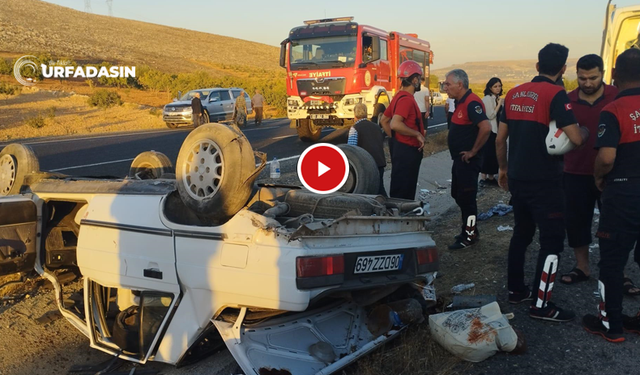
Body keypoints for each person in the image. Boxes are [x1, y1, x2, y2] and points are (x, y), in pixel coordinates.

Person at [497, 43, 589, 322]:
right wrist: (584, 131)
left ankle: (516, 291)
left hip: (517, 178)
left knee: (521, 235)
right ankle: (542, 304)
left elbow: (500, 138)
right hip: (546, 182)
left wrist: (502, 169)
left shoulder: (513, 93)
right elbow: (574, 138)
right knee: (551, 242)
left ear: (537, 66)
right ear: (563, 69)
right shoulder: (556, 94)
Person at [582, 48, 640, 342]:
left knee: (613, 261)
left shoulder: (614, 109)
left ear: (614, 76)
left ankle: (611, 325)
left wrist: (598, 178)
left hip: (624, 192)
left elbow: (606, 157)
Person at [560, 55, 623, 286]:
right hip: (574, 172)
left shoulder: (616, 97)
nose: (587, 83)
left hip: (611, 174)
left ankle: (617, 272)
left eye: (593, 78)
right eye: (582, 78)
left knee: (615, 225)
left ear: (603, 74)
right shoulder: (566, 101)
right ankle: (582, 267)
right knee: (576, 222)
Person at [443, 69, 491, 250]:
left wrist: (473, 151)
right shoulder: (459, 102)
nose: (445, 87)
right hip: (459, 161)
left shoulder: (472, 102)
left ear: (459, 85)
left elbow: (485, 127)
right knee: (459, 195)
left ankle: (469, 236)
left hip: (468, 162)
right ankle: (468, 230)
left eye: (448, 84)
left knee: (468, 198)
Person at [380, 60, 425, 200]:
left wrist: (395, 140)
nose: (420, 82)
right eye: (420, 79)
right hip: (408, 152)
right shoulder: (406, 100)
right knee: (405, 190)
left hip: (401, 149)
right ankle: (403, 217)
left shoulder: (398, 97)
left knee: (399, 185)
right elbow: (395, 124)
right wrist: (416, 134)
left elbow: (384, 121)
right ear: (415, 79)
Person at [348, 103, 387, 197]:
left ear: (354, 114)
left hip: (366, 165)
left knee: (367, 192)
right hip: (379, 163)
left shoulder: (355, 129)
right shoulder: (376, 127)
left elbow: (352, 150)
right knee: (379, 188)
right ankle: (388, 207)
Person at [479, 77, 504, 186]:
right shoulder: (487, 99)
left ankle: (491, 176)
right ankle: (484, 177)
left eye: (499, 86)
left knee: (494, 154)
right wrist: (499, 105)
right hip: (490, 130)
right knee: (488, 153)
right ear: (490, 87)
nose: (498, 88)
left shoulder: (496, 98)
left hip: (496, 130)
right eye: (495, 86)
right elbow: (490, 115)